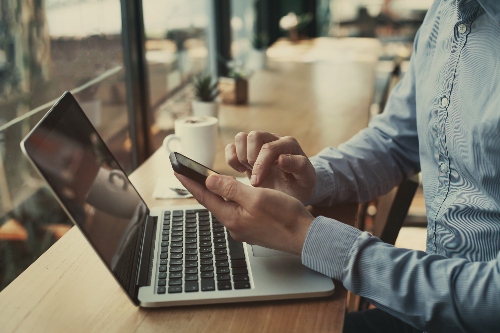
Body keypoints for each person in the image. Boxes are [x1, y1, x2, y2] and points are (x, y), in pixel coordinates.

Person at [176, 1, 500, 332]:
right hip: (425, 297)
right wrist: (311, 179)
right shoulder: (445, 12)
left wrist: (305, 237)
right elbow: (396, 141)